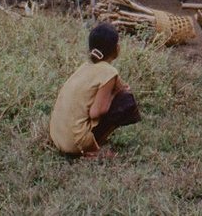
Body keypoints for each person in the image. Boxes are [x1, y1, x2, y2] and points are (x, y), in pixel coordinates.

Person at [49, 22, 141, 158]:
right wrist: (114, 93)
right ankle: (92, 151)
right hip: (74, 142)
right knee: (126, 100)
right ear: (117, 48)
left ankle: (88, 144)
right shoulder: (109, 72)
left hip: (57, 137)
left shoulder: (85, 66)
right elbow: (96, 112)